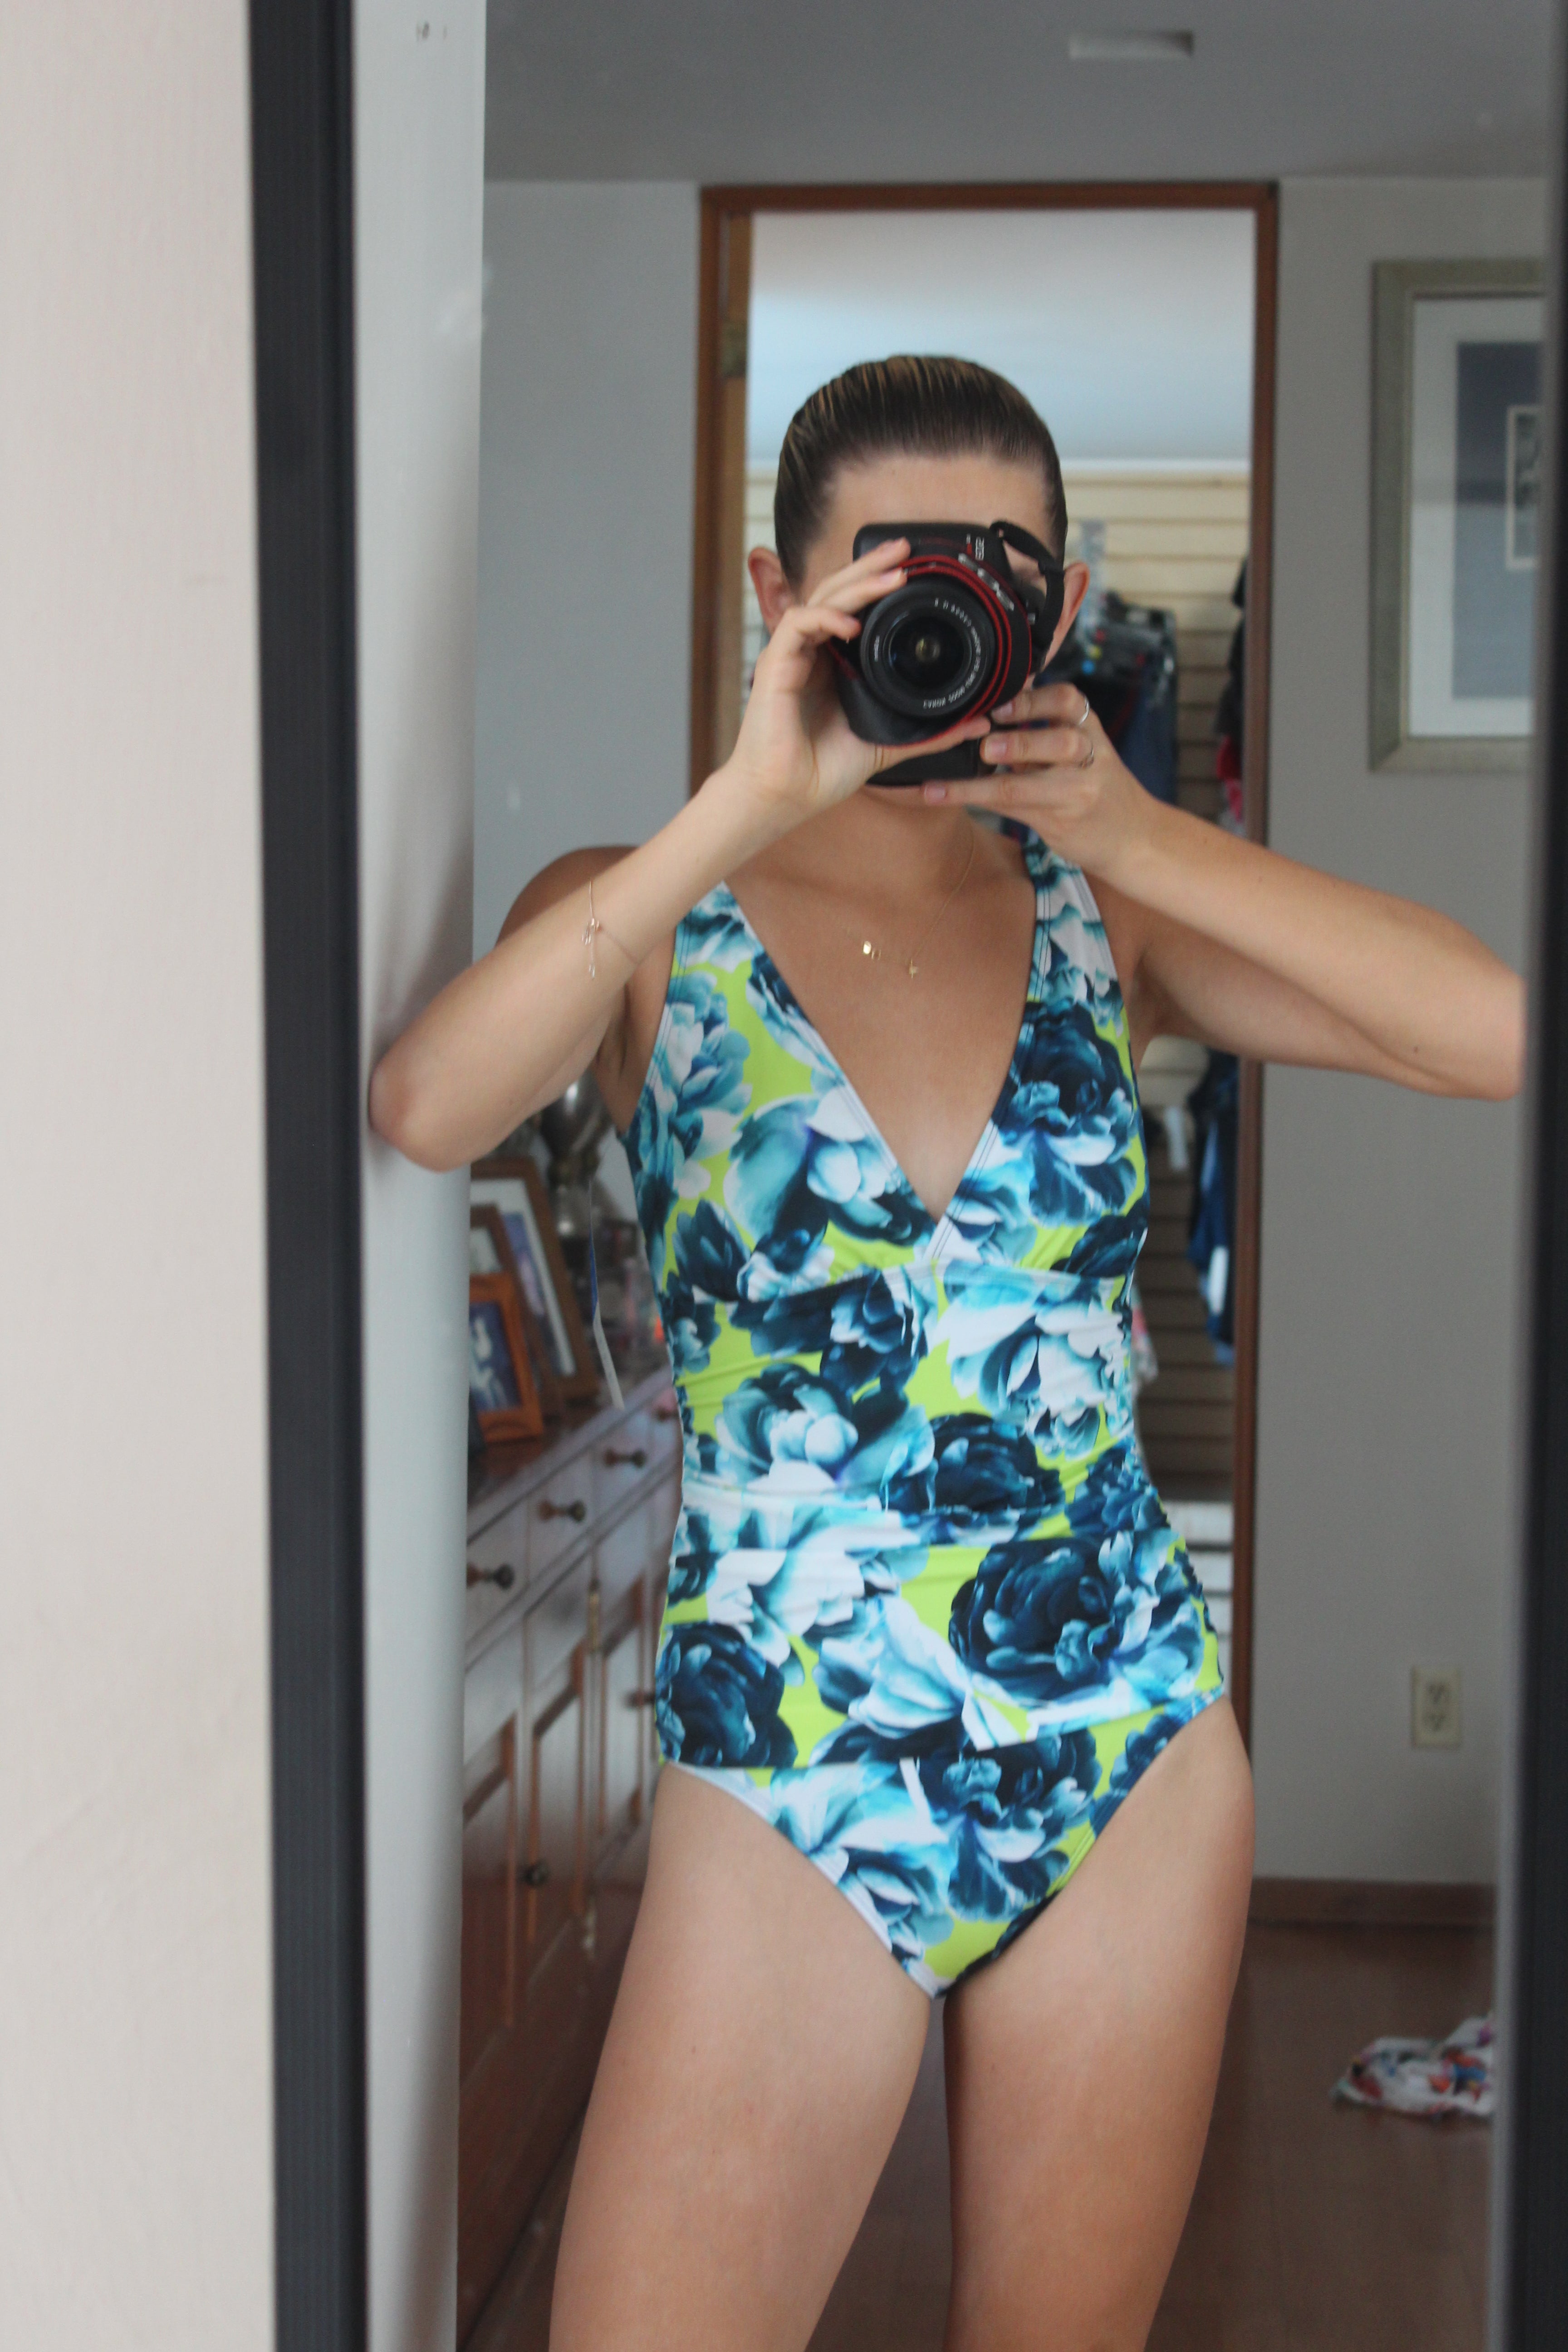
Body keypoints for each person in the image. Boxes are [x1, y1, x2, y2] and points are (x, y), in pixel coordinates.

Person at [370, 357, 1524, 2351]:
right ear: (782, 593)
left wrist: (1139, 830)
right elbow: (426, 1105)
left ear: (1053, 606)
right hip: (790, 1755)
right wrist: (749, 797)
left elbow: (1496, 1035)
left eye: (997, 571)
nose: (942, 613)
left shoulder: (1106, 913)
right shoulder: (650, 914)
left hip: (1125, 1748)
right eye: (891, 574)